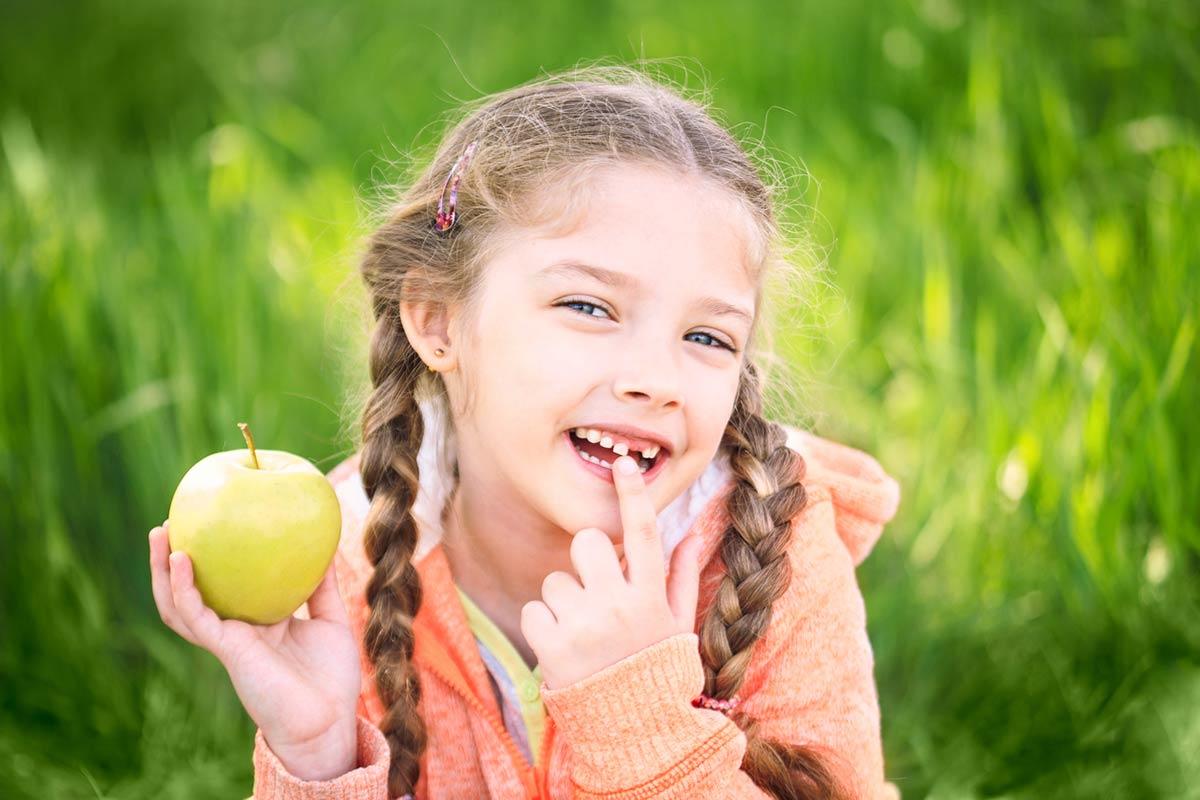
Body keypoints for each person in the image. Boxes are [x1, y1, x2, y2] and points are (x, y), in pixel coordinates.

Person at [148, 63, 903, 800]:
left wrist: (642, 718)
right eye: (589, 307)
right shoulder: (352, 564)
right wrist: (318, 757)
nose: (656, 379)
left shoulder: (780, 552)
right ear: (438, 321)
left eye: (707, 338)